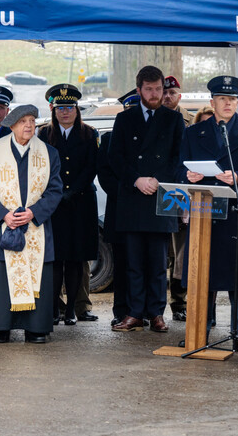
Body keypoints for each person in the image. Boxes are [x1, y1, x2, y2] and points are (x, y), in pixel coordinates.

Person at [183, 75, 238, 354]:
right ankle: (200, 330)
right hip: (205, 214)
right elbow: (175, 169)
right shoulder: (194, 133)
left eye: (232, 99)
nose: (228, 103)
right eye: (222, 99)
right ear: (212, 102)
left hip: (237, 216)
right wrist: (187, 175)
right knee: (202, 273)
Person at [0, 104, 63, 344]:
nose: (29, 125)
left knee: (38, 277)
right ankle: (1, 328)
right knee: (2, 279)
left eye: (32, 121)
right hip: (2, 227)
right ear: (11, 125)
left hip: (36, 227)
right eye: (23, 121)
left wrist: (34, 212)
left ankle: (36, 328)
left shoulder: (49, 153)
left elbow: (55, 191)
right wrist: (3, 215)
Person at [109, 65, 184, 334]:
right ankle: (134, 313)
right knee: (134, 263)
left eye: (159, 89)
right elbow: (115, 158)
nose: (155, 94)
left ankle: (156, 314)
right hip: (132, 199)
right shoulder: (124, 120)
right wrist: (136, 179)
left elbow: (178, 158)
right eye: (149, 89)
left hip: (161, 198)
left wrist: (156, 179)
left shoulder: (173, 120)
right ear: (139, 89)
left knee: (157, 263)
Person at [39, 84, 98, 327]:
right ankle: (54, 309)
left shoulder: (89, 133)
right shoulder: (43, 134)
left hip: (80, 202)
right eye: (60, 108)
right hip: (53, 204)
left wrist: (72, 191)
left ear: (77, 109)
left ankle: (72, 309)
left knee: (75, 259)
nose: (65, 112)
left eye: (70, 107)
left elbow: (92, 167)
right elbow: (40, 167)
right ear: (53, 110)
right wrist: (56, 192)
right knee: (54, 259)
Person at [98, 89, 140, 326]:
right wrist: (127, 194)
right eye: (129, 110)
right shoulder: (109, 138)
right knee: (122, 264)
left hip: (146, 211)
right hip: (120, 210)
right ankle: (121, 310)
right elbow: (105, 175)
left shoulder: (150, 138)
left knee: (144, 264)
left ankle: (143, 310)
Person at [162, 75, 191, 322]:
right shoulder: (155, 120)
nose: (168, 97)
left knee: (182, 252)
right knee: (164, 253)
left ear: (179, 96)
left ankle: (179, 302)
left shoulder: (191, 121)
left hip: (184, 194)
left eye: (173, 93)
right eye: (165, 93)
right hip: (161, 192)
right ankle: (157, 306)